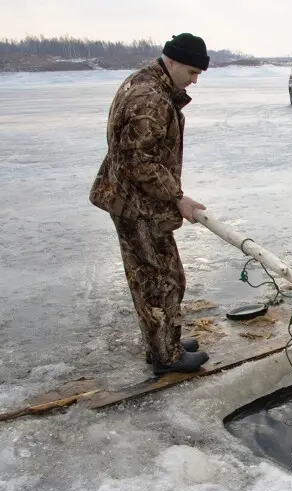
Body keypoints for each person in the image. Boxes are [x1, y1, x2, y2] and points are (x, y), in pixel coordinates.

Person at [89, 33, 210, 375]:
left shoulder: (148, 84)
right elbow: (138, 162)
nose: (195, 79)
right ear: (171, 62)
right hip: (138, 206)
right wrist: (178, 197)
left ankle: (162, 344)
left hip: (134, 201)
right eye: (191, 71)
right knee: (162, 281)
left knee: (152, 277)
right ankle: (166, 356)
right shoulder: (149, 98)